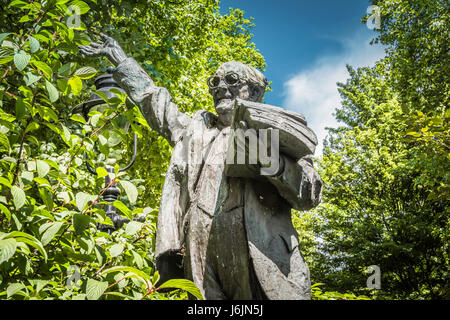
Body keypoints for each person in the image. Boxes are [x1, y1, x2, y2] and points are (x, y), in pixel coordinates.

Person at [79, 33, 322, 300]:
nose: (220, 87)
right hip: (200, 254)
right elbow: (154, 101)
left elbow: (308, 195)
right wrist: (123, 61)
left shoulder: (275, 132)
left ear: (254, 91)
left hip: (260, 256)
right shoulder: (196, 129)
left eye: (231, 81)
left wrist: (273, 164)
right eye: (214, 82)